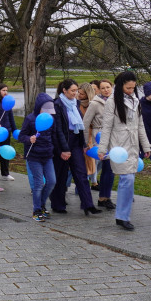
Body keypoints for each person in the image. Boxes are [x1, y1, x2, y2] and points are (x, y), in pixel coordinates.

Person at [97, 72, 150, 230]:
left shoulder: (136, 101)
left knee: (128, 181)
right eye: (128, 88)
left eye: (133, 88)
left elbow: (140, 125)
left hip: (133, 146)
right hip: (119, 147)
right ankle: (122, 216)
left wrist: (145, 146)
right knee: (127, 180)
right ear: (120, 86)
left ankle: (122, 215)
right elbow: (106, 127)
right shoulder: (112, 102)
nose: (131, 91)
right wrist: (102, 148)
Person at [50, 79, 101, 215]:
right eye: (72, 91)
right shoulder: (57, 105)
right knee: (60, 175)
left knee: (81, 173)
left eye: (76, 90)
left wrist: (83, 144)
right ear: (64, 91)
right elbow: (58, 130)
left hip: (76, 142)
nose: (76, 93)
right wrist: (64, 149)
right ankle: (58, 204)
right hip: (62, 144)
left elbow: (80, 125)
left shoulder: (76, 103)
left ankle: (88, 204)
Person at [23, 93, 57, 222]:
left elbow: (53, 135)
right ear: (39, 107)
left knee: (52, 181)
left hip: (47, 155)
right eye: (45, 109)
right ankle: (36, 210)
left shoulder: (51, 119)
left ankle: (42, 204)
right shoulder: (30, 119)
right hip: (34, 156)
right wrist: (28, 139)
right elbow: (22, 135)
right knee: (39, 183)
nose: (47, 112)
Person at [84, 79, 117, 208]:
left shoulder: (116, 101)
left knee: (110, 169)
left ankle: (105, 197)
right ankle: (103, 198)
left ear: (112, 87)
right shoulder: (95, 104)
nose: (106, 90)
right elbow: (86, 124)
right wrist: (87, 142)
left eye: (108, 87)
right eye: (102, 88)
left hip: (114, 138)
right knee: (107, 167)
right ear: (98, 90)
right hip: (100, 137)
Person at [0, 84, 18, 182]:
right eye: (3, 90)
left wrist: (14, 130)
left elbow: (11, 118)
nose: (5, 92)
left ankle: (5, 173)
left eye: (6, 90)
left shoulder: (7, 103)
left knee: (5, 152)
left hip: (7, 131)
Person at [79, 83, 98, 188]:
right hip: (76, 137)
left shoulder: (93, 105)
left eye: (81, 94)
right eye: (78, 93)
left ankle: (85, 187)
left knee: (88, 164)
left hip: (89, 138)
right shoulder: (76, 104)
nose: (79, 95)